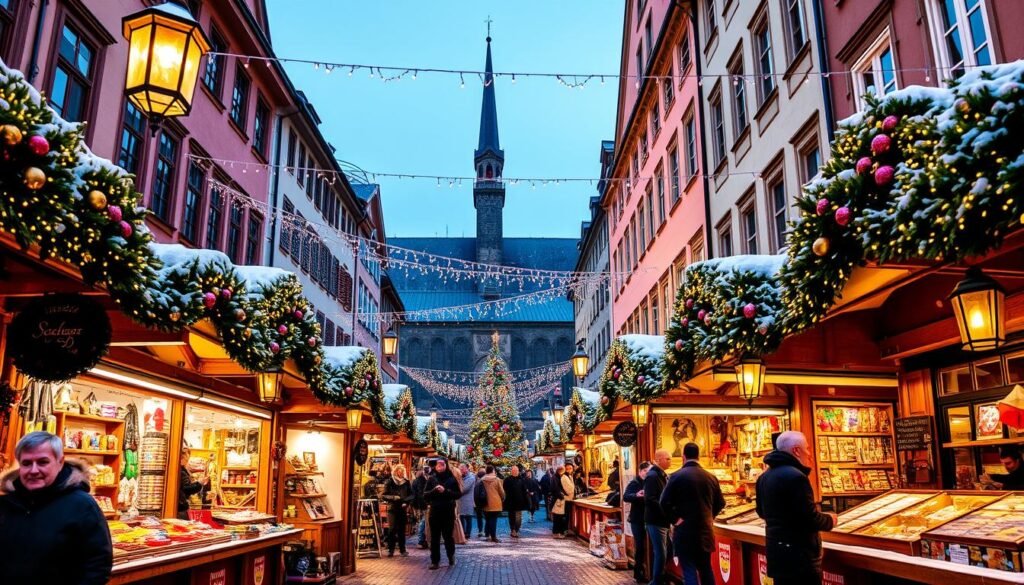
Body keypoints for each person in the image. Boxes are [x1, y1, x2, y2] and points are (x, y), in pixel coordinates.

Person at [0, 431, 113, 585]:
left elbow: (98, 565)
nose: (34, 470)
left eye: (42, 462)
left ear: (60, 462)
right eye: (26, 463)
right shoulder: (6, 505)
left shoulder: (82, 506)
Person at [756, 431, 837, 585]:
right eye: (807, 448)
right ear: (796, 450)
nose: (809, 454)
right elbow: (809, 519)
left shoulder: (764, 477)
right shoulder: (797, 477)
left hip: (777, 552)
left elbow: (761, 511)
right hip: (800, 557)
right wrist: (830, 520)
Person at [661, 442, 726, 585]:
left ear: (683, 456)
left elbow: (663, 502)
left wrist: (675, 519)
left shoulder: (676, 476)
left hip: (685, 531)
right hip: (705, 530)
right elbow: (721, 502)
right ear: (698, 456)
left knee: (689, 569)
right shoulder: (711, 477)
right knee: (706, 568)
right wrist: (710, 516)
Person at [424, 459, 460, 569]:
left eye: (442, 464)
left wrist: (445, 491)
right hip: (435, 512)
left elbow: (458, 494)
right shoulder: (431, 479)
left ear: (445, 466)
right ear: (435, 466)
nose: (440, 466)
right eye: (438, 465)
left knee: (448, 536)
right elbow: (425, 495)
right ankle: (435, 561)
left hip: (448, 512)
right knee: (434, 537)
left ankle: (451, 557)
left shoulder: (451, 478)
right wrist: (434, 490)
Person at [644, 449, 671, 585]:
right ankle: (657, 582)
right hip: (656, 520)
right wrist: (666, 511)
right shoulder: (653, 476)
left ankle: (660, 578)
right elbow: (651, 499)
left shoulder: (661, 475)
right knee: (661, 552)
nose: (670, 461)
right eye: (668, 459)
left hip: (661, 520)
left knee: (665, 551)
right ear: (659, 459)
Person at [623, 461, 651, 584]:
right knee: (640, 546)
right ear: (640, 471)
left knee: (650, 546)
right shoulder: (635, 483)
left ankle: (650, 572)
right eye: (645, 471)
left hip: (650, 519)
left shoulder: (651, 482)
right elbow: (626, 496)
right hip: (637, 519)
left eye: (648, 471)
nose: (647, 473)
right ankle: (638, 572)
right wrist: (636, 495)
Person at [381, 463, 413, 557]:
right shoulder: (390, 481)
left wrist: (406, 502)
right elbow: (383, 495)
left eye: (403, 471)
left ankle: (402, 550)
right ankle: (391, 550)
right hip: (392, 509)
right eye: (400, 471)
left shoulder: (406, 482)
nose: (402, 473)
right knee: (392, 529)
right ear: (396, 471)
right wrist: (393, 497)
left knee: (402, 530)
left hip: (402, 509)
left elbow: (411, 495)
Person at [177, 446, 208, 519]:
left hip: (182, 505)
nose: (188, 458)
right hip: (181, 506)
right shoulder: (181, 471)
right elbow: (186, 489)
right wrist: (199, 483)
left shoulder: (182, 469)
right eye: (187, 455)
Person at [481, 465, 506, 542]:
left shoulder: (482, 479)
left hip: (484, 502)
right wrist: (503, 498)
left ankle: (487, 535)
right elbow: (501, 492)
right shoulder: (497, 479)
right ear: (492, 471)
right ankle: (493, 537)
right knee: (493, 520)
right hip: (495, 502)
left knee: (488, 519)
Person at [503, 465, 529, 538]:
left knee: (518, 518)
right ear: (511, 471)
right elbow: (504, 490)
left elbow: (525, 490)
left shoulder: (522, 479)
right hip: (510, 502)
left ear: (518, 471)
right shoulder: (507, 480)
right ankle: (513, 530)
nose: (515, 472)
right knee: (511, 517)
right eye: (513, 470)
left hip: (519, 502)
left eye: (516, 470)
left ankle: (516, 529)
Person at [552, 463, 576, 538]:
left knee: (562, 517)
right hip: (561, 500)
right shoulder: (561, 477)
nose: (568, 470)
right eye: (567, 468)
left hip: (564, 499)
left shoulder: (568, 476)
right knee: (559, 517)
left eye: (570, 468)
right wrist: (562, 496)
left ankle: (562, 531)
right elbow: (566, 489)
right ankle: (557, 532)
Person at [412, 466, 430, 548]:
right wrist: (427, 504)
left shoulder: (417, 480)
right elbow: (421, 494)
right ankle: (421, 540)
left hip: (419, 504)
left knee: (422, 521)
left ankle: (422, 540)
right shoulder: (422, 481)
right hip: (422, 505)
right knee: (423, 522)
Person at [458, 463, 477, 538]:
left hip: (467, 501)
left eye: (462, 469)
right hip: (460, 501)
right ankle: (462, 532)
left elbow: (463, 489)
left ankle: (467, 533)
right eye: (460, 469)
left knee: (468, 518)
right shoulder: (461, 477)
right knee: (461, 517)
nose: (461, 470)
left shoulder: (471, 478)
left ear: (466, 469)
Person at [474, 468, 487, 538]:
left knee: (481, 517)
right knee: (482, 517)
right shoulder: (477, 480)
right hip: (481, 502)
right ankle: (482, 531)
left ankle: (482, 530)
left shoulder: (477, 481)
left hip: (480, 501)